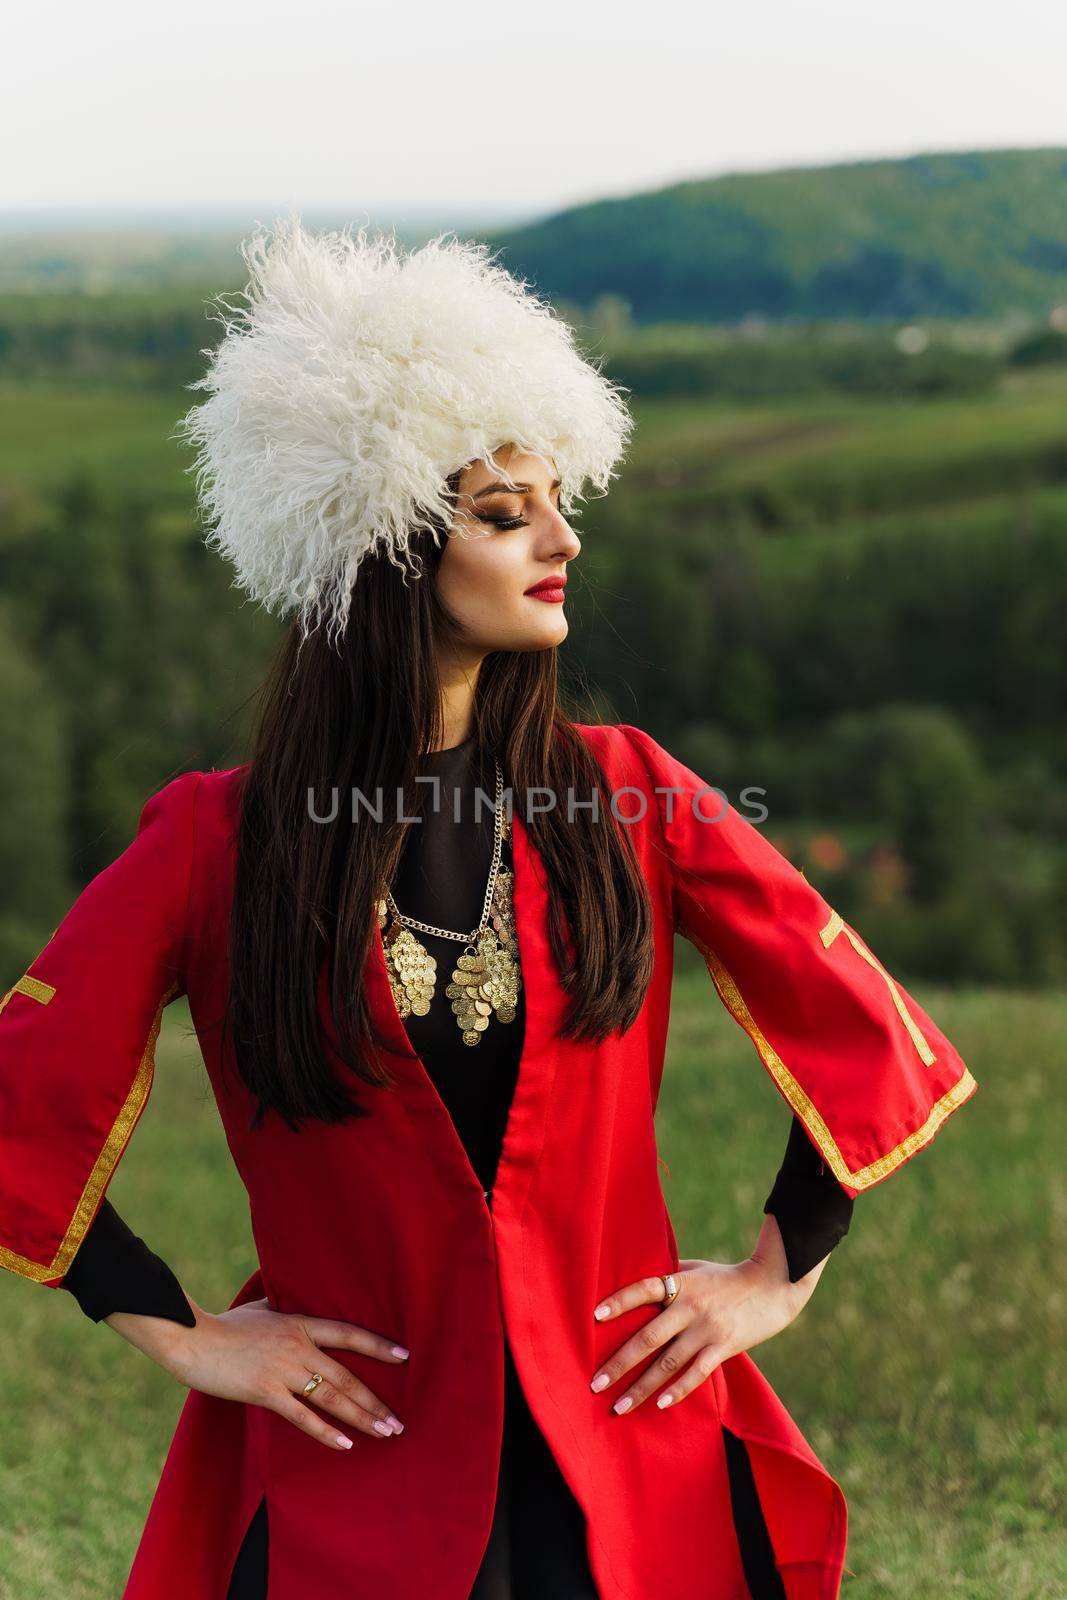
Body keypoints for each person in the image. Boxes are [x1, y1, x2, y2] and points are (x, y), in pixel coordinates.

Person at [0, 217, 977, 1600]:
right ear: (389, 543)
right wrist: (180, 1329)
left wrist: (778, 1273)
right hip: (360, 1471)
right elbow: (18, 1093)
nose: (562, 539)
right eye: (505, 513)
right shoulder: (215, 840)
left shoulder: (627, 792)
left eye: (558, 500)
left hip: (628, 1457)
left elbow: (860, 1025)